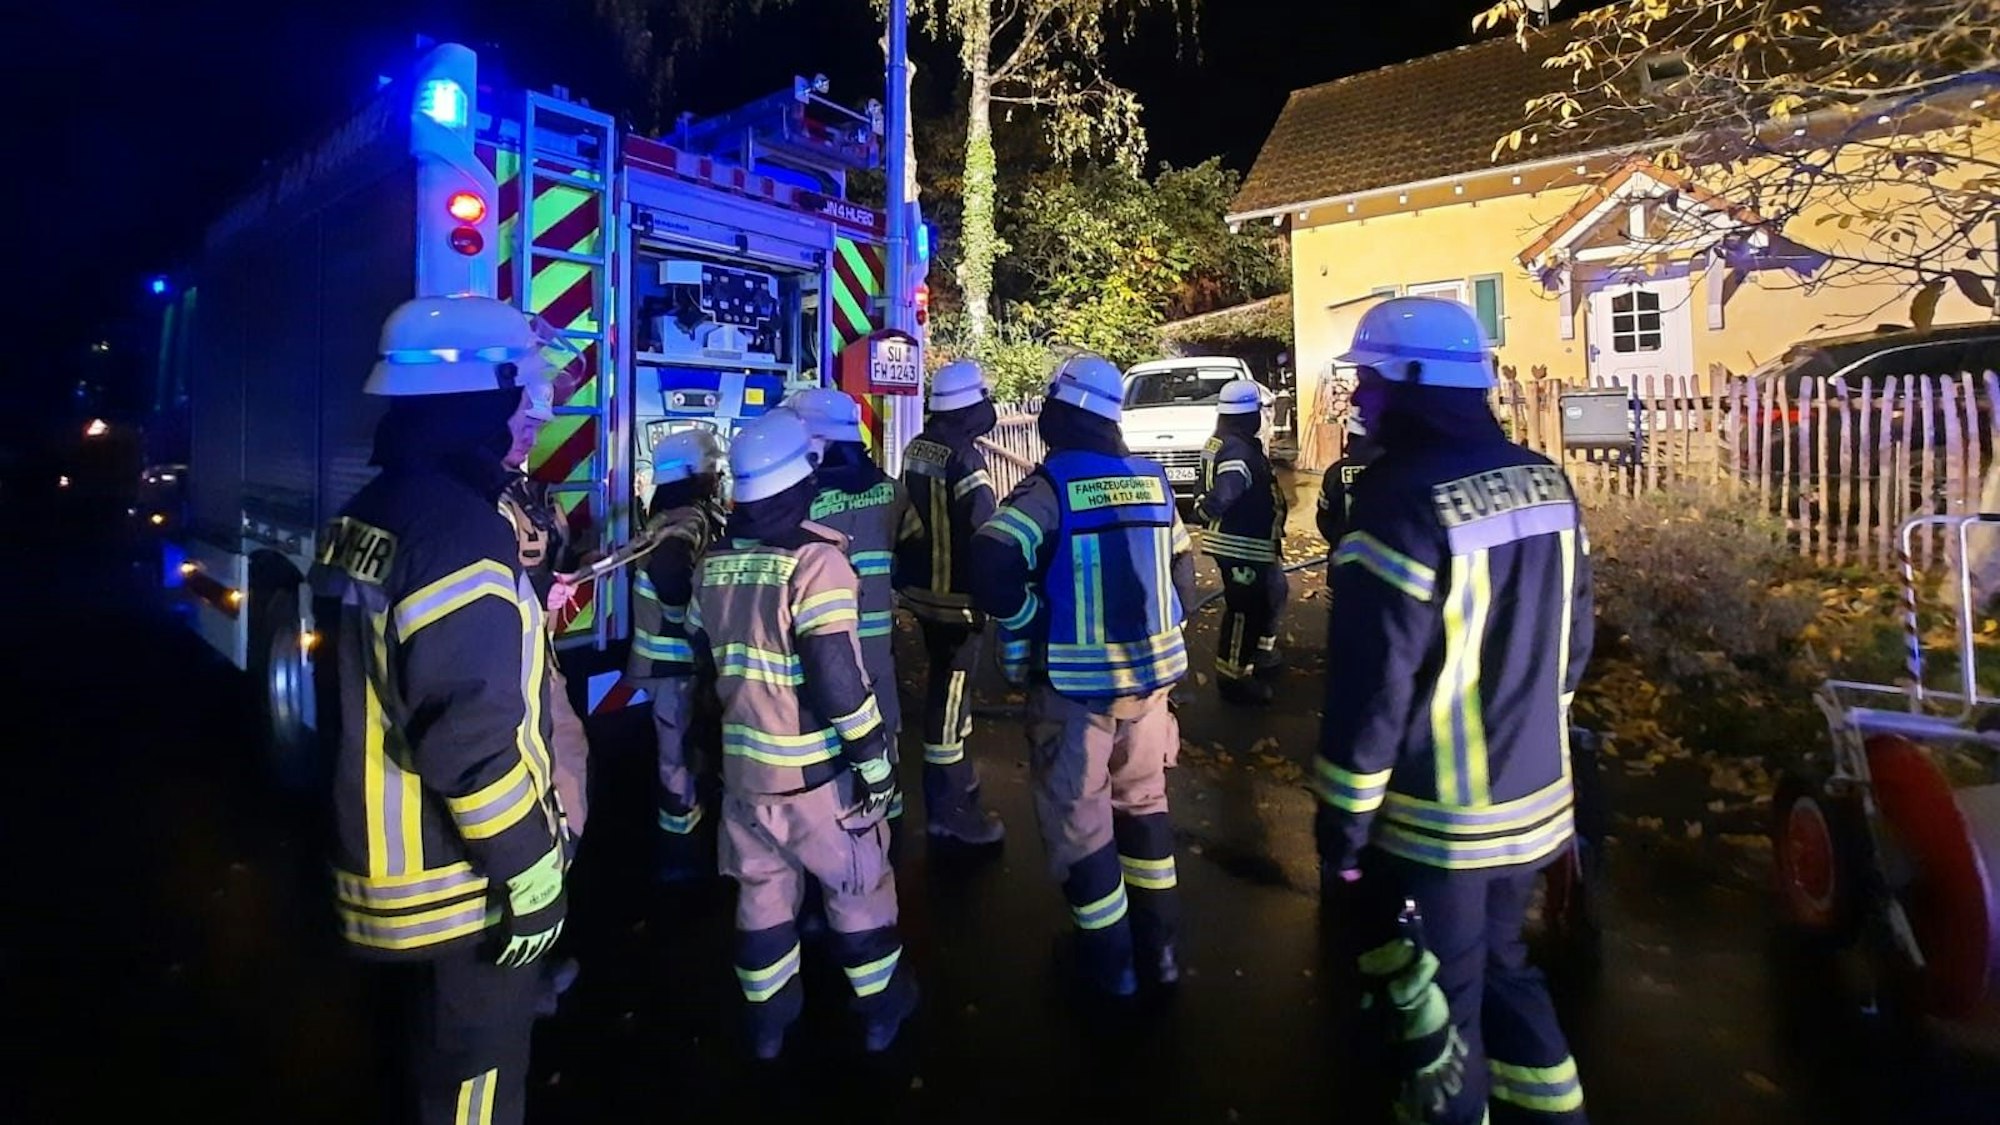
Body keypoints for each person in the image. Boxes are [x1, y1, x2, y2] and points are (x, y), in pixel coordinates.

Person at [1313, 296, 1593, 1124]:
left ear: (1411, 383)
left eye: (1366, 382)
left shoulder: (1398, 504)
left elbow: (1373, 694)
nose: (1358, 401)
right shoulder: (1547, 479)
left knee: (1441, 1018)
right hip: (1537, 806)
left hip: (1442, 826)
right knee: (1507, 969)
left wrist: (1343, 828)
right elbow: (1575, 641)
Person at [309, 294, 568, 1125]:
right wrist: (529, 870)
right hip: (454, 876)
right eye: (515, 395)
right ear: (478, 400)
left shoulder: (369, 511)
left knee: (419, 1055)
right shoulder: (458, 529)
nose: (525, 414)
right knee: (475, 1079)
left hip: (381, 858)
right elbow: (471, 733)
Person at [687, 410, 917, 1059]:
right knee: (856, 891)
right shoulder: (816, 564)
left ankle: (767, 1025)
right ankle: (881, 1010)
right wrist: (873, 759)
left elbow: (706, 664)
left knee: (762, 899)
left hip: (747, 780)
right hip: (819, 777)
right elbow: (837, 676)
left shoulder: (716, 564)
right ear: (804, 479)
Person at [968, 353, 1197, 996]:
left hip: (1075, 697)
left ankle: (1110, 968)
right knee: (1145, 807)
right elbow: (1181, 575)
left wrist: (1030, 614)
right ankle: (1161, 950)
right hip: (1151, 690)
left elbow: (990, 561)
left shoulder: (1051, 487)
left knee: (1083, 826)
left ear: (1058, 412)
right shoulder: (1153, 481)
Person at [788, 388, 922, 826]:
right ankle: (890, 820)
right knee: (883, 725)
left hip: (826, 642)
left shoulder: (799, 504)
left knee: (836, 730)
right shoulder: (892, 492)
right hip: (878, 643)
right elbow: (913, 556)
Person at [893, 359, 1007, 845]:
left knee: (945, 686)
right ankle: (949, 810)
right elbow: (987, 532)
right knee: (950, 697)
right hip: (958, 601)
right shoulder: (965, 458)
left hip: (922, 595)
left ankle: (958, 783)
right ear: (968, 406)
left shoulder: (919, 447)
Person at [625, 427, 727, 879]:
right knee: (678, 761)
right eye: (711, 470)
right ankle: (679, 860)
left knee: (683, 757)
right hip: (675, 664)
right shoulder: (686, 519)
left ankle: (686, 848)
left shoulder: (671, 513)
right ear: (692, 474)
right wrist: (688, 619)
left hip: (675, 664)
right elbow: (671, 571)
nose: (717, 476)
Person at [1194, 378, 1290, 706]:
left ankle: (1258, 657)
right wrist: (1207, 511)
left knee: (1268, 597)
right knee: (1242, 612)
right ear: (1249, 414)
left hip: (1246, 544)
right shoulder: (1239, 448)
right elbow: (1227, 490)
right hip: (1241, 545)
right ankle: (1233, 679)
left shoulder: (1221, 441)